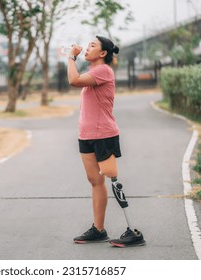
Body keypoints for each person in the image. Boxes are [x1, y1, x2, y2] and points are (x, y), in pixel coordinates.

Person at [67, 35, 121, 244]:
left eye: (92, 45)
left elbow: (73, 80)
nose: (87, 48)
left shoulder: (103, 71)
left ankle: (131, 228)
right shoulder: (93, 73)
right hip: (87, 135)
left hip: (104, 135)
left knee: (113, 180)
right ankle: (99, 230)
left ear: (103, 53)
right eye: (87, 45)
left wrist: (71, 58)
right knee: (95, 181)